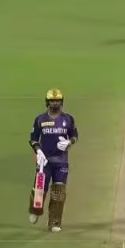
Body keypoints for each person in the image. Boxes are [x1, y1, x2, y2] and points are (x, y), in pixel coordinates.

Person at [28, 89, 79, 232]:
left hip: (61, 161)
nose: (54, 103)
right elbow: (33, 139)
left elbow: (75, 135)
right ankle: (35, 210)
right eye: (52, 101)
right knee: (40, 189)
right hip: (44, 161)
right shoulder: (40, 119)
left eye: (57, 101)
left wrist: (69, 142)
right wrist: (38, 151)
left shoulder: (68, 119)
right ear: (47, 102)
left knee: (59, 192)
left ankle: (54, 222)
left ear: (61, 102)